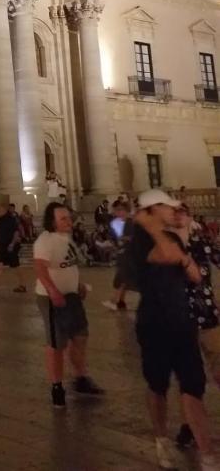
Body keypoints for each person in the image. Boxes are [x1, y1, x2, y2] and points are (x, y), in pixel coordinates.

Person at [131, 189, 216, 470]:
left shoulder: (167, 236)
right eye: (166, 208)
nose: (173, 211)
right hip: (154, 325)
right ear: (152, 210)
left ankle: (207, 455)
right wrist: (155, 231)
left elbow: (194, 274)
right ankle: (161, 439)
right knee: (158, 386)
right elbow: (167, 256)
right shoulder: (138, 242)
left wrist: (183, 256)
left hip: (182, 321)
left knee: (193, 387)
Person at [33, 201, 104, 409]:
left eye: (68, 217)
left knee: (80, 335)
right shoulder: (44, 241)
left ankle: (81, 378)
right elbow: (40, 269)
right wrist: (53, 291)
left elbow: (67, 265)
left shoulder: (66, 238)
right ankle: (57, 387)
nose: (69, 221)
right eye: (63, 218)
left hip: (71, 296)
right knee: (56, 344)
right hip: (51, 298)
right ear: (52, 221)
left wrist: (78, 284)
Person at [173, 204, 220, 449]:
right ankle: (188, 425)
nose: (179, 217)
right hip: (181, 320)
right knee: (189, 379)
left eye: (182, 212)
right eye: (175, 213)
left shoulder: (200, 243)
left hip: (207, 315)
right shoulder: (167, 249)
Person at [102, 201, 136, 311]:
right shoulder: (116, 223)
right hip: (122, 254)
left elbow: (134, 238)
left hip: (129, 255)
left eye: (121, 210)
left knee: (121, 278)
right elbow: (115, 239)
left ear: (126, 211)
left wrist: (125, 239)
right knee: (124, 279)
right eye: (117, 210)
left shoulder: (131, 223)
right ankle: (121, 301)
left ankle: (114, 301)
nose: (118, 212)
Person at [0, 204, 26, 293]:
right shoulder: (1, 220)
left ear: (4, 210)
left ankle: (22, 285)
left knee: (16, 266)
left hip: (10, 246)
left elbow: (16, 232)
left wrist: (12, 244)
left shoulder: (10, 219)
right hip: (3, 246)